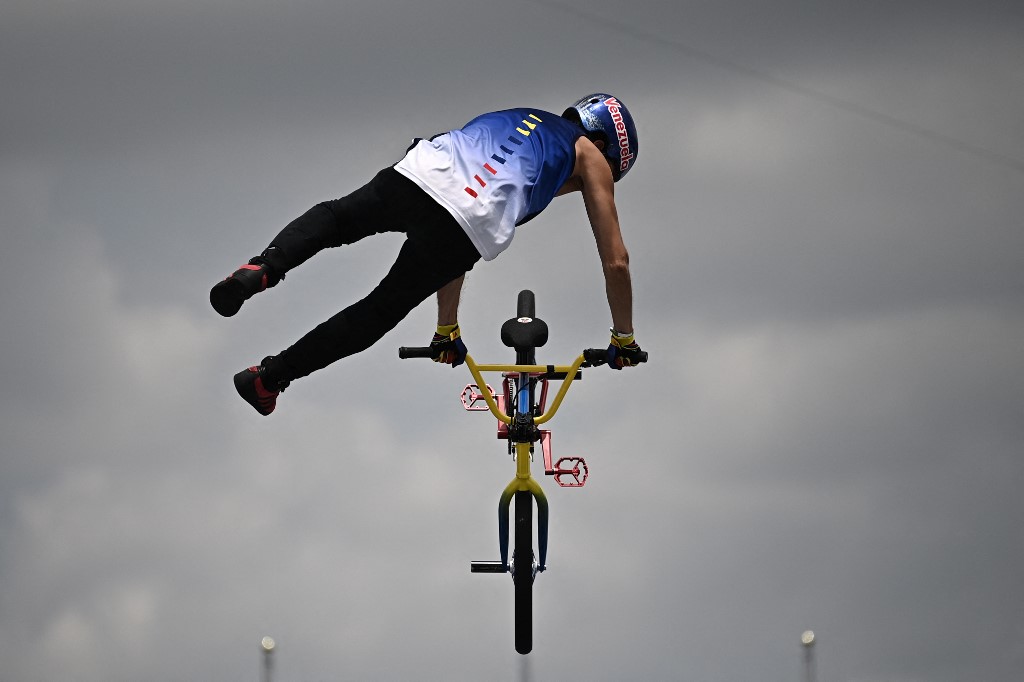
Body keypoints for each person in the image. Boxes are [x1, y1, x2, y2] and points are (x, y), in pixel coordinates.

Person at [211, 93, 645, 416]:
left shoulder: (524, 115)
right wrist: (623, 338)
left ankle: (261, 269)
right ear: (605, 144)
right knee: (377, 311)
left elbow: (457, 210)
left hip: (423, 170)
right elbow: (616, 261)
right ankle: (268, 379)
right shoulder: (589, 155)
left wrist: (447, 329)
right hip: (466, 222)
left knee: (338, 218)